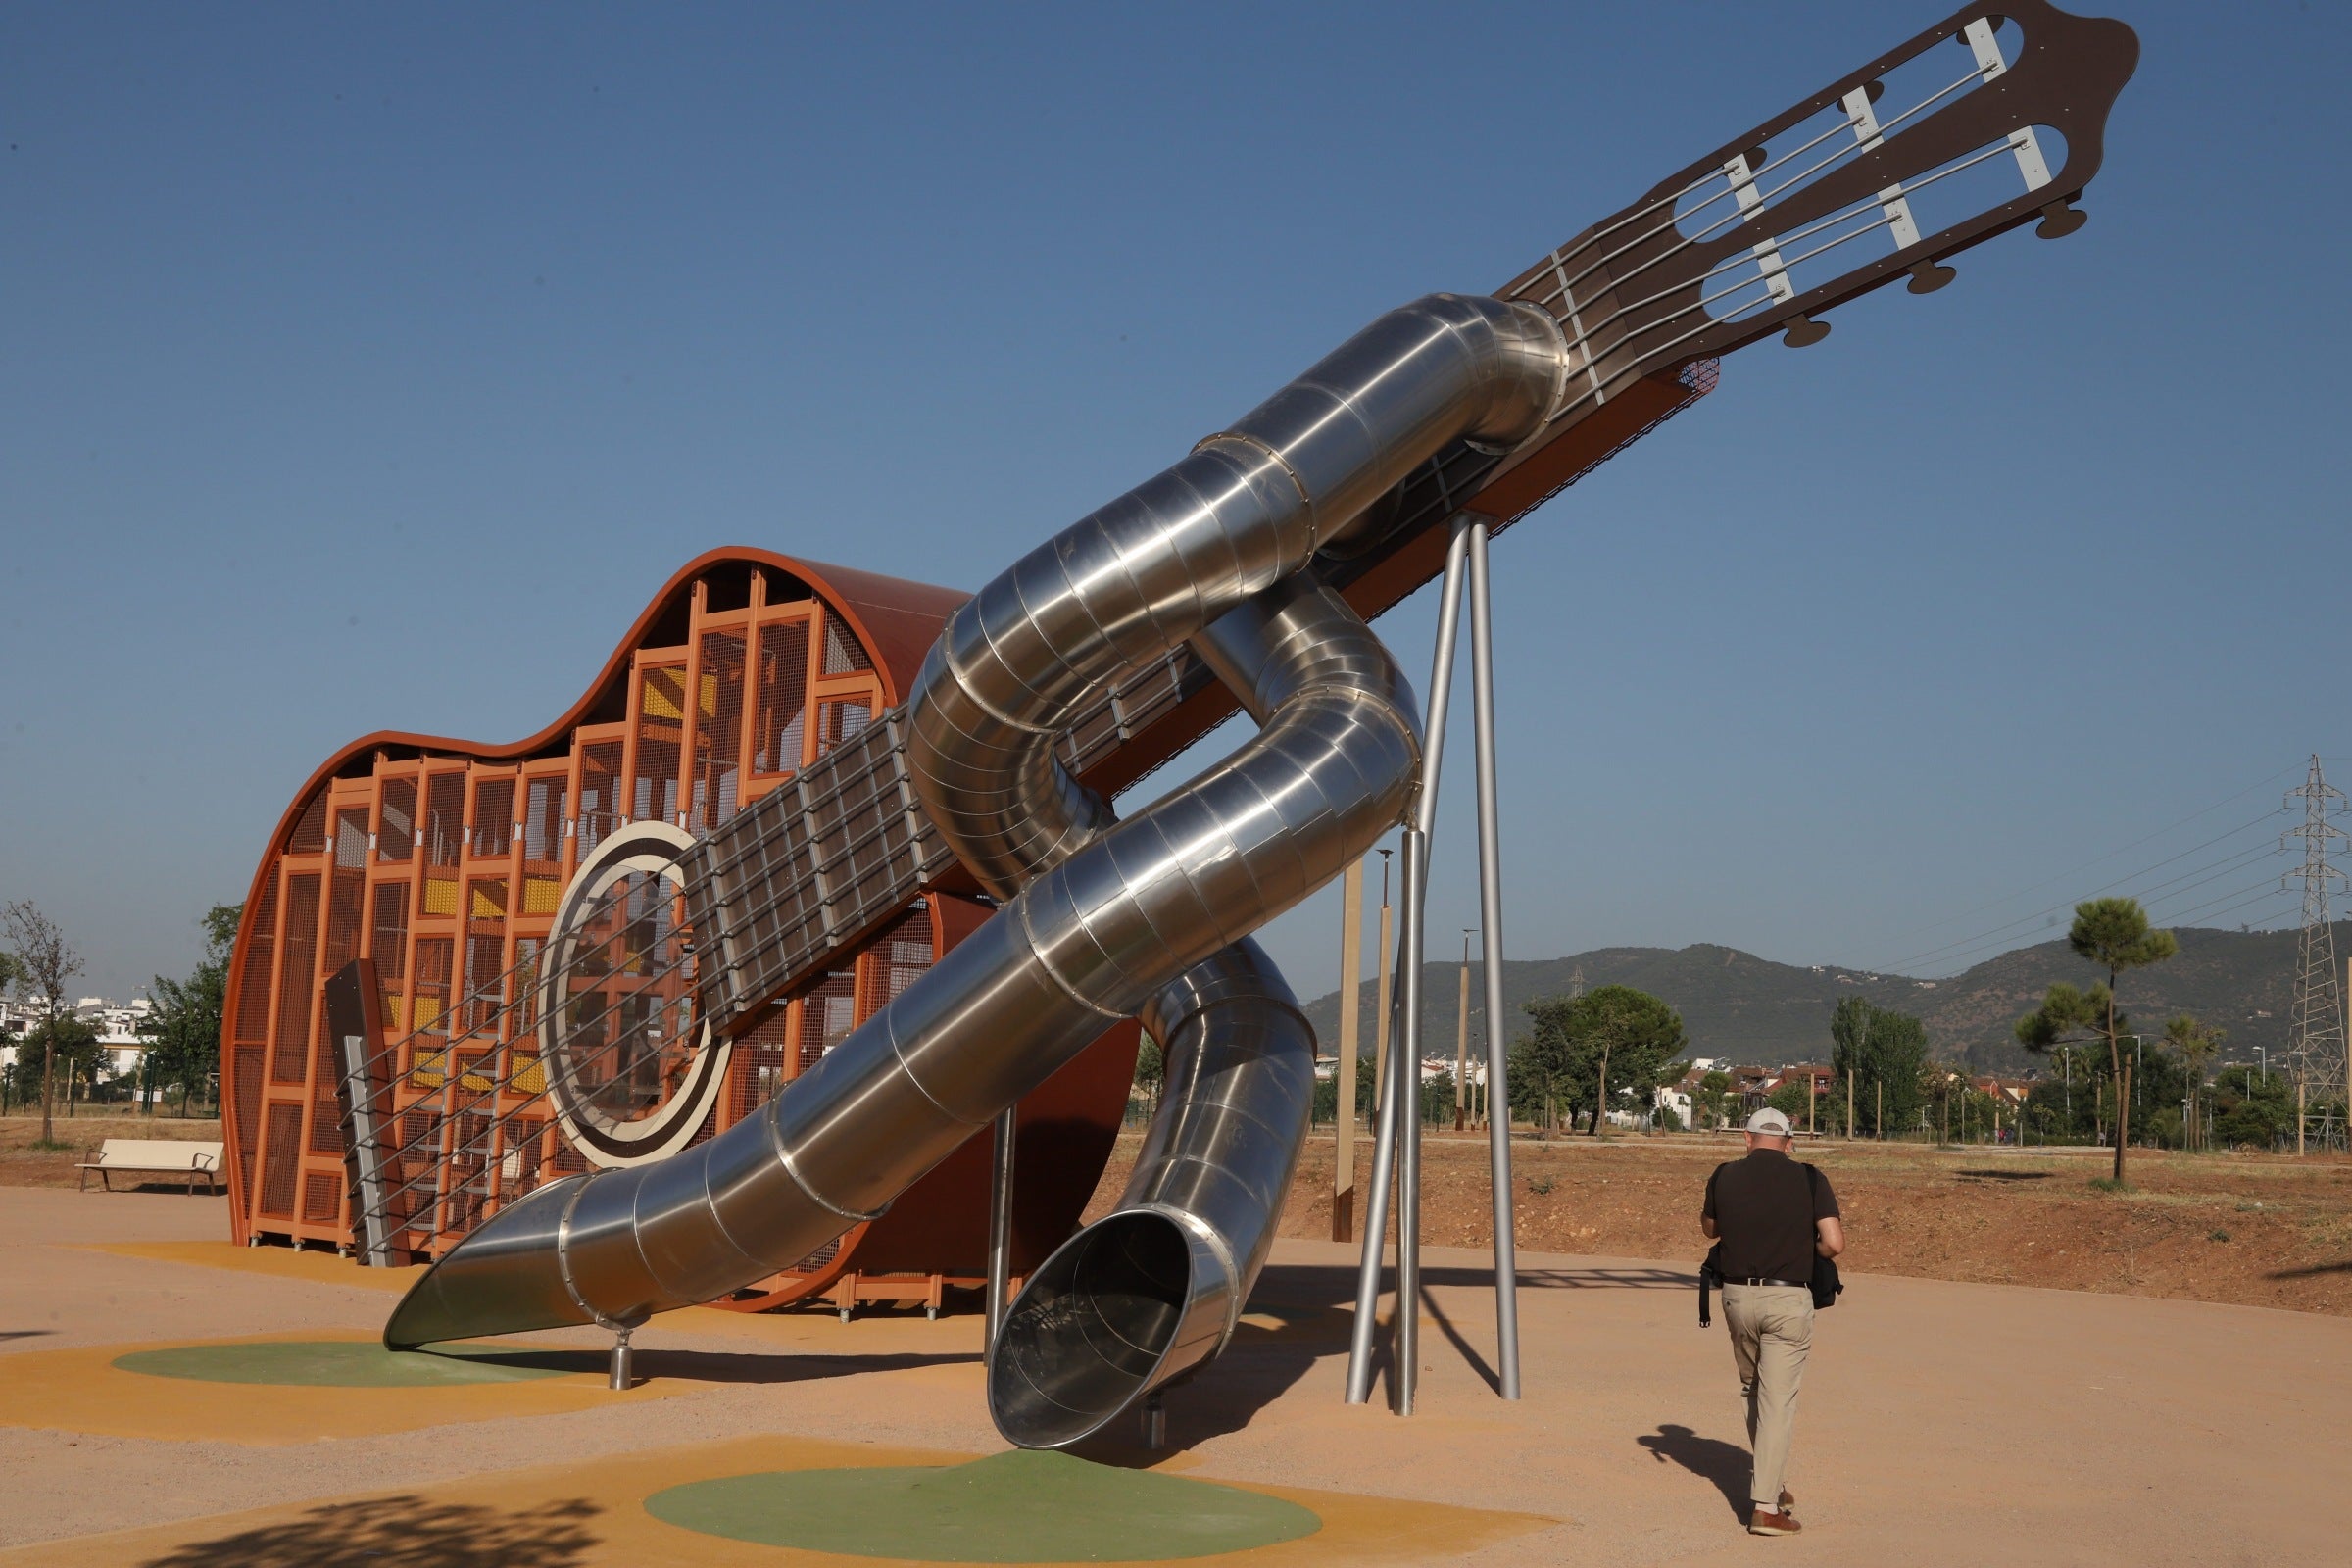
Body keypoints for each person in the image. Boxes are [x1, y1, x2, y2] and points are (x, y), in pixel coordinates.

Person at [1700, 1106, 1844, 1537]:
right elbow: (1834, 1244)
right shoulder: (1809, 1178)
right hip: (1786, 1299)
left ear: (1747, 1139)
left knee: (1754, 1389)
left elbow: (1710, 1229)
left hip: (1736, 1298)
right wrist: (1810, 1248)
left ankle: (1773, 1483)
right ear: (1788, 1141)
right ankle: (1764, 1507)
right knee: (1778, 1401)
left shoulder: (1723, 1174)